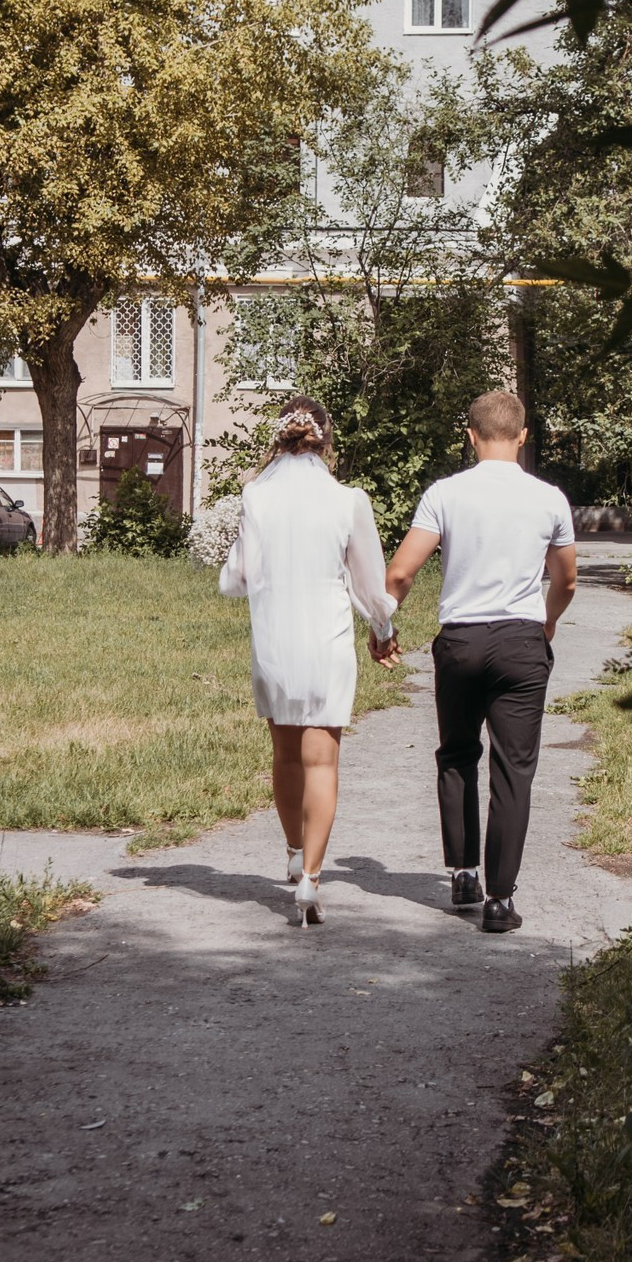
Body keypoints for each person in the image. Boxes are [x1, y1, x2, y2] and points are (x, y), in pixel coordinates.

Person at [377, 390, 577, 933]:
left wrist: (382, 627)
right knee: (514, 770)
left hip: (460, 642)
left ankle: (463, 874)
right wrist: (546, 623)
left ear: (470, 436)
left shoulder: (445, 494)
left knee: (457, 754)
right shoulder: (549, 499)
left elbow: (400, 573)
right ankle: (499, 900)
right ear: (523, 436)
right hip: (521, 643)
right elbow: (566, 580)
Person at [217, 397, 398, 926]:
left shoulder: (255, 496)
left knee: (286, 756)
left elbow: (236, 578)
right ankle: (312, 881)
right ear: (327, 441)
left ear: (280, 438)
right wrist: (383, 630)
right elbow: (370, 585)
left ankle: (294, 853)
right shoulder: (349, 500)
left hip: (274, 640)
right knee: (322, 762)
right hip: (326, 640)